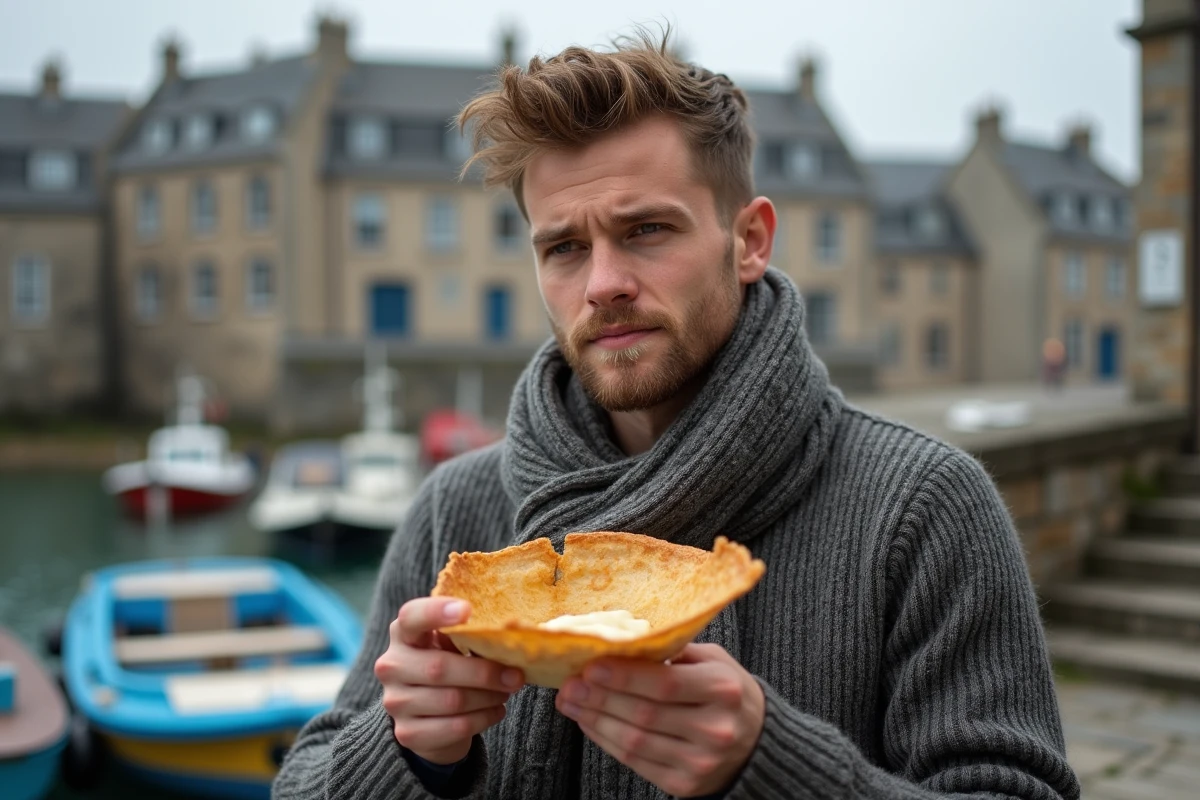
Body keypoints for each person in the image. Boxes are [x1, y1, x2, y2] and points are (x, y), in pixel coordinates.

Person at [274, 32, 1080, 800]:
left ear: (750, 240)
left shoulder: (925, 507)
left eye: (647, 230)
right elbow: (301, 783)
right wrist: (412, 752)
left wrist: (773, 766)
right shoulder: (455, 511)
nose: (603, 283)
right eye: (564, 248)